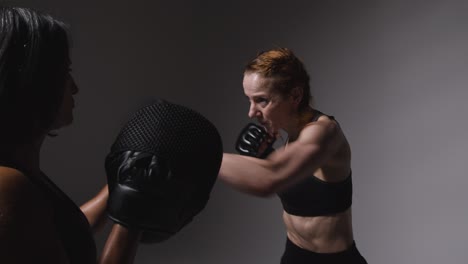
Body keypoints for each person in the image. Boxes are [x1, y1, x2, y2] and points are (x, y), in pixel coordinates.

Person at [0, 7, 141, 263]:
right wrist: (131, 223)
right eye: (65, 73)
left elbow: (59, 232)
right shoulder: (8, 186)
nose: (74, 87)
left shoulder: (21, 170)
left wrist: (115, 189)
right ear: (34, 80)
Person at [219, 48, 368, 263]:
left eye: (262, 101)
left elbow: (269, 179)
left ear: (295, 95)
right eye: (249, 100)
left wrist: (203, 155)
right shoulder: (290, 138)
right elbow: (284, 177)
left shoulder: (325, 133)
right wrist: (267, 155)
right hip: (294, 255)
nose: (251, 113)